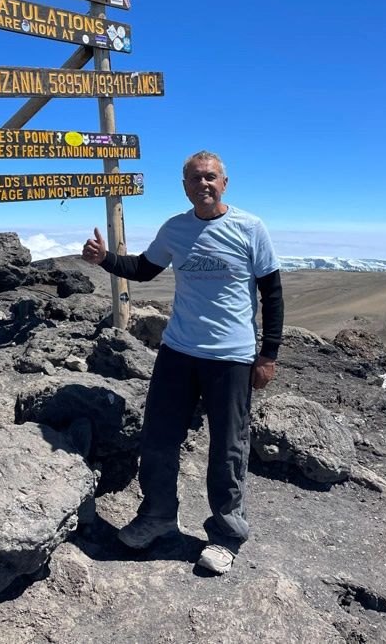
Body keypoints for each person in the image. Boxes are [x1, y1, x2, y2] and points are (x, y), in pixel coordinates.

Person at [82, 150, 283, 575]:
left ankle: (226, 534)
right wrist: (105, 261)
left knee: (228, 448)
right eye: (194, 178)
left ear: (224, 183)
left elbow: (273, 294)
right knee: (157, 439)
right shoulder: (175, 228)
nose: (203, 184)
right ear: (185, 186)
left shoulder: (250, 228)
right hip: (177, 352)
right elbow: (143, 268)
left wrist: (268, 355)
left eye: (210, 177)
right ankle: (157, 518)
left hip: (230, 357)